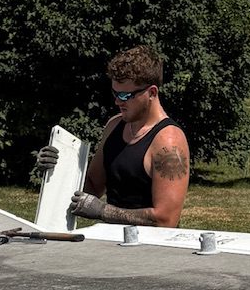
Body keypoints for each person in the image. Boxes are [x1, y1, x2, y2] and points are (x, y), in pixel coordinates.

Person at [39, 44, 191, 229]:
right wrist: (56, 168)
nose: (118, 101)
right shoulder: (114, 125)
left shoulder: (169, 141)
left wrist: (103, 211)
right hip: (113, 246)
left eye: (126, 95)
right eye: (115, 93)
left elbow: (166, 219)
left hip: (151, 252)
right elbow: (92, 186)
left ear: (152, 93)